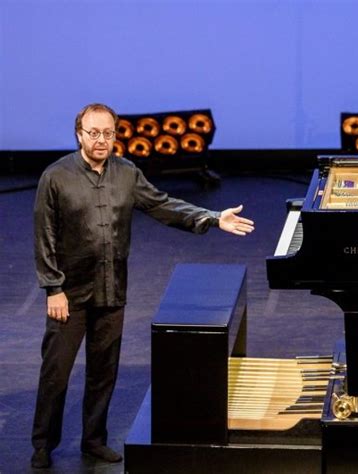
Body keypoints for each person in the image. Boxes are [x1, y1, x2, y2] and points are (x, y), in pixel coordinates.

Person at [31, 103, 255, 469]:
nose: (101, 140)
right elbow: (44, 236)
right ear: (79, 135)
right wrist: (53, 288)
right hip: (68, 294)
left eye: (107, 133)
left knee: (104, 371)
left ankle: (94, 440)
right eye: (93, 133)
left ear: (115, 135)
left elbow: (164, 206)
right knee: (56, 372)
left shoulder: (127, 173)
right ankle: (42, 444)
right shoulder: (55, 177)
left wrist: (212, 218)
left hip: (111, 289)